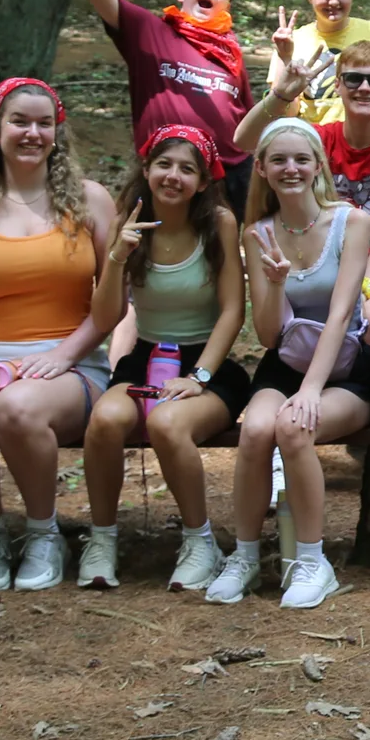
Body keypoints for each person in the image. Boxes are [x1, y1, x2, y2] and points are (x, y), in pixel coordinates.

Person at [0, 79, 119, 593]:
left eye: (44, 123)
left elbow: (113, 305)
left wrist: (65, 354)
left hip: (70, 359)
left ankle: (42, 532)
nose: (32, 133)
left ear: (58, 132)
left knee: (19, 407)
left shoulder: (91, 201)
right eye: (19, 122)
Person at [76, 127, 250, 593]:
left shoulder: (218, 223)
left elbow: (234, 310)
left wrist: (200, 376)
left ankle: (200, 541)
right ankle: (102, 538)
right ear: (147, 169)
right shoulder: (125, 221)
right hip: (145, 355)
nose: (173, 177)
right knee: (106, 418)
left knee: (168, 424)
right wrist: (116, 256)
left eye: (187, 169)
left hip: (206, 364)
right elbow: (106, 315)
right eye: (165, 165)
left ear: (201, 181)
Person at [209, 119, 370, 609]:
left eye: (301, 159)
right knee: (257, 429)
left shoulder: (352, 221)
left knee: (295, 427)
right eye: (278, 160)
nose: (291, 168)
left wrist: (311, 390)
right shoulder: (257, 232)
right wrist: (277, 284)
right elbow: (266, 334)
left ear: (319, 165)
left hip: (347, 366)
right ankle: (243, 555)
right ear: (261, 169)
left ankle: (311, 559)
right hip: (286, 361)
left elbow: (343, 313)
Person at [81, 0, 255, 209]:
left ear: (227, 5)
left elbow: (247, 118)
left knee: (224, 249)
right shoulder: (149, 31)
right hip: (167, 171)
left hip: (229, 173)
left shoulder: (231, 52)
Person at [243, 39, 370, 290]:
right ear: (338, 85)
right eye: (353, 79)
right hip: (321, 273)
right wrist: (283, 94)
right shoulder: (317, 139)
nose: (364, 88)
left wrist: (364, 291)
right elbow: (245, 140)